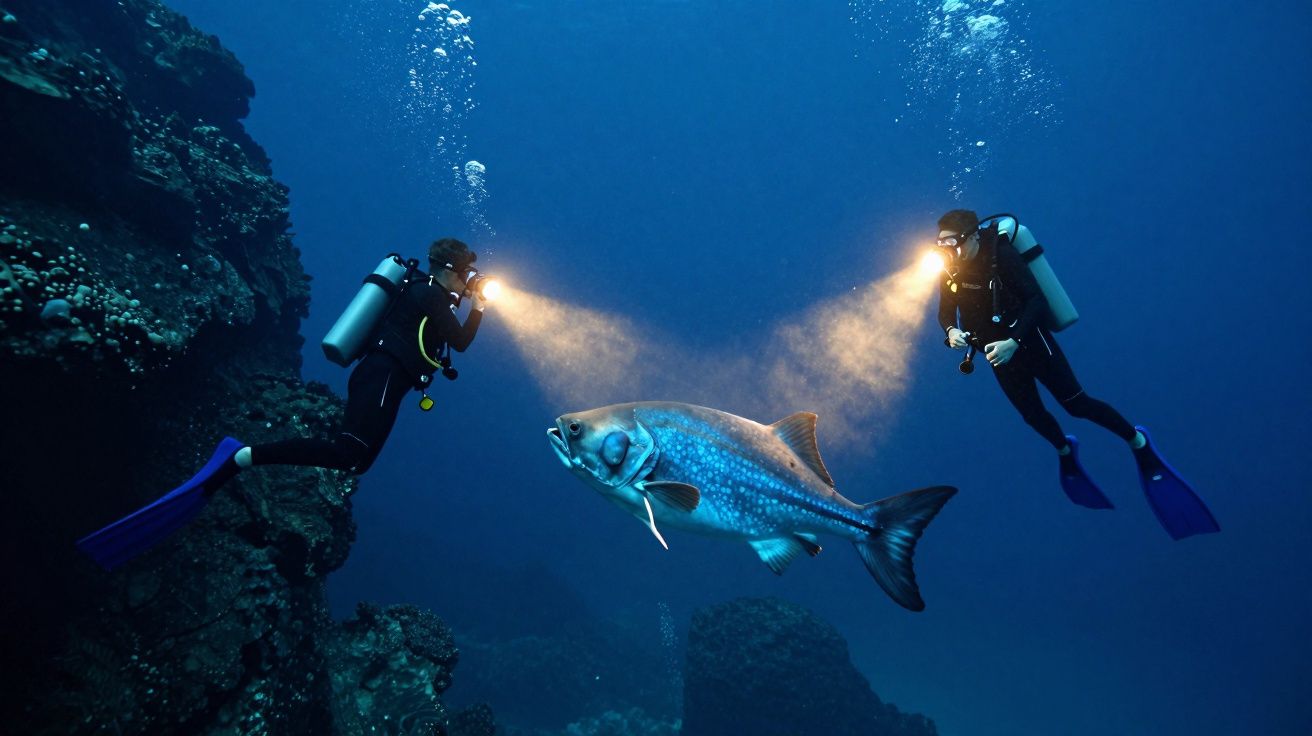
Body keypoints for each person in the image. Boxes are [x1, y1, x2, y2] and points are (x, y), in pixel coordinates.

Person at [78, 238, 489, 568]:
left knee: (356, 460)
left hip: (383, 378)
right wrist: (480, 308)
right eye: (467, 273)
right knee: (352, 451)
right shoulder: (429, 292)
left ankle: (240, 457)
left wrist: (468, 302)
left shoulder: (428, 294)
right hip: (381, 375)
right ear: (450, 270)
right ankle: (239, 457)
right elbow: (462, 342)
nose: (469, 281)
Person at [934, 210, 1218, 539]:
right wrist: (951, 331)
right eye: (940, 244)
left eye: (951, 242)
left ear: (970, 238)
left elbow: (1037, 301)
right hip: (996, 353)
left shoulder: (1001, 257)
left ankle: (1139, 443)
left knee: (1077, 404)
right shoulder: (947, 266)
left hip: (1030, 343)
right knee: (1032, 415)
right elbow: (944, 311)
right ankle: (1065, 452)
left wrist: (1014, 341)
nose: (945, 250)